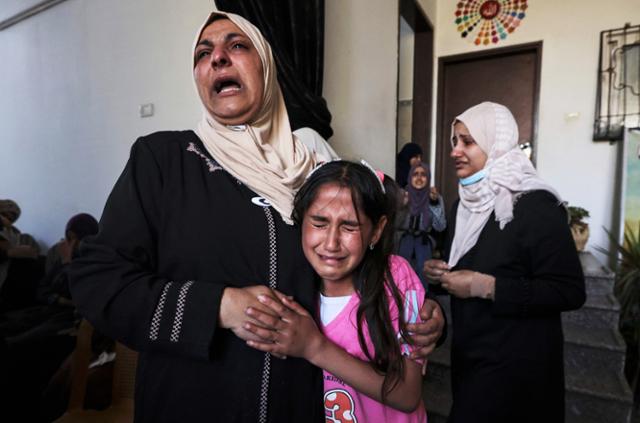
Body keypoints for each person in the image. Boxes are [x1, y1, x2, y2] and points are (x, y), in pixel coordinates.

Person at [69, 11, 444, 423]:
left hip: (299, 405)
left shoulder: (314, 173)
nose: (218, 59)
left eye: (237, 45)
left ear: (266, 66)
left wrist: (422, 318)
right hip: (189, 404)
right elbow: (99, 281)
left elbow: (363, 272)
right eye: (203, 52)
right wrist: (221, 306)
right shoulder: (163, 161)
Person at [423, 102, 586, 422]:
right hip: (472, 354)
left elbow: (569, 291)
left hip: (519, 362)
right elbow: (468, 264)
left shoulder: (536, 205)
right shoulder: (462, 206)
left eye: (468, 142)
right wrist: (439, 275)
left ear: (496, 143)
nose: (456, 150)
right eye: (454, 141)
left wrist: (487, 287)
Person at [243, 160, 427, 421]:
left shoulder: (396, 279)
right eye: (319, 223)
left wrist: (314, 347)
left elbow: (407, 395)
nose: (331, 243)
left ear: (376, 231)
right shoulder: (290, 282)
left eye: (349, 226)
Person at [398, 162, 446, 287]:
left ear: (428, 178)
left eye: (423, 175)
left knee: (422, 272)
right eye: (415, 174)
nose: (419, 178)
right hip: (403, 240)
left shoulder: (434, 196)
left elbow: (440, 227)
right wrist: (402, 206)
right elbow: (393, 224)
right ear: (410, 177)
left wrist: (434, 204)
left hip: (424, 242)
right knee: (401, 271)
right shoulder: (403, 195)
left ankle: (422, 299)